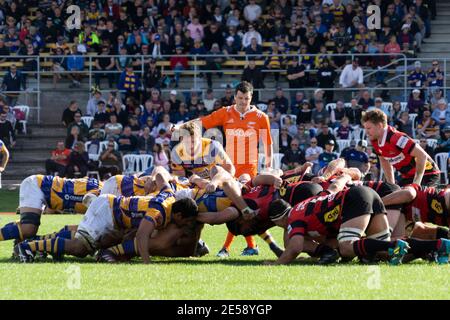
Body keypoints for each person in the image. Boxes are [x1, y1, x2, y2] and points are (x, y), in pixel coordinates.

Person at [172, 82, 274, 257]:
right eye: (240, 98)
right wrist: (180, 126)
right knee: (235, 204)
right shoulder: (226, 112)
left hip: (248, 167)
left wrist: (269, 166)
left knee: (238, 203)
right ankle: (249, 246)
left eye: (246, 98)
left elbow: (268, 143)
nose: (243, 102)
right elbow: (202, 121)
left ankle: (228, 247)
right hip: (228, 167)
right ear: (235, 97)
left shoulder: (260, 116)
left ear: (251, 98)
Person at [0, 175, 101, 244]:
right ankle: (33, 243)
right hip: (37, 185)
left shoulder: (103, 189)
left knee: (27, 228)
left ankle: (23, 243)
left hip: (41, 186)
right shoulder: (102, 195)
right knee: (28, 229)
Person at [362, 109, 439, 187]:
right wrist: (391, 186)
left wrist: (416, 184)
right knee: (392, 195)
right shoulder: (374, 140)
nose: (366, 132)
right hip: (408, 177)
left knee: (410, 195)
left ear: (379, 126)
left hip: (428, 174)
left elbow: (422, 155)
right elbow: (384, 162)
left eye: (368, 128)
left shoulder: (396, 138)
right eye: (365, 128)